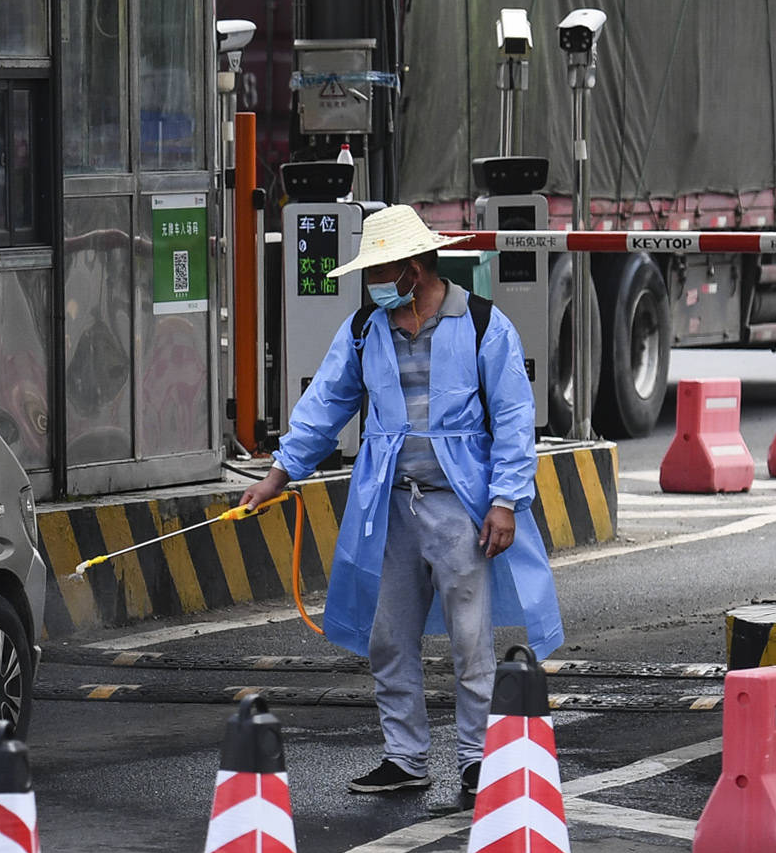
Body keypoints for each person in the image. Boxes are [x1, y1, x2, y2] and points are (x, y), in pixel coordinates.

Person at [238, 204, 561, 800]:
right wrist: (279, 474)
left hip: (460, 509)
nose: (374, 283)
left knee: (470, 639)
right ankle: (405, 755)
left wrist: (505, 501)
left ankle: (475, 758)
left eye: (382, 270)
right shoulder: (366, 329)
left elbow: (516, 419)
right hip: (389, 506)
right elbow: (326, 405)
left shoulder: (485, 325)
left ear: (413, 268)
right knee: (388, 635)